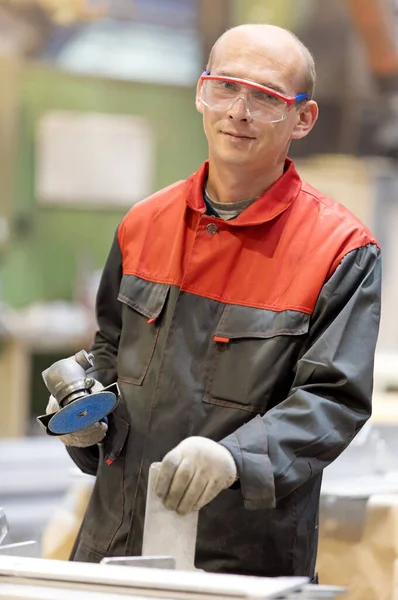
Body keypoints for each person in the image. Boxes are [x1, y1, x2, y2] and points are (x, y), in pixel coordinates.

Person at [46, 23, 381, 578]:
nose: (239, 111)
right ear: (202, 91)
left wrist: (235, 456)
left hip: (241, 562)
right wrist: (86, 418)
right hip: (114, 544)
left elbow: (333, 400)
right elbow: (109, 349)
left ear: (303, 118)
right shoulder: (144, 223)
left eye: (267, 97)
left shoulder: (340, 249)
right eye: (225, 87)